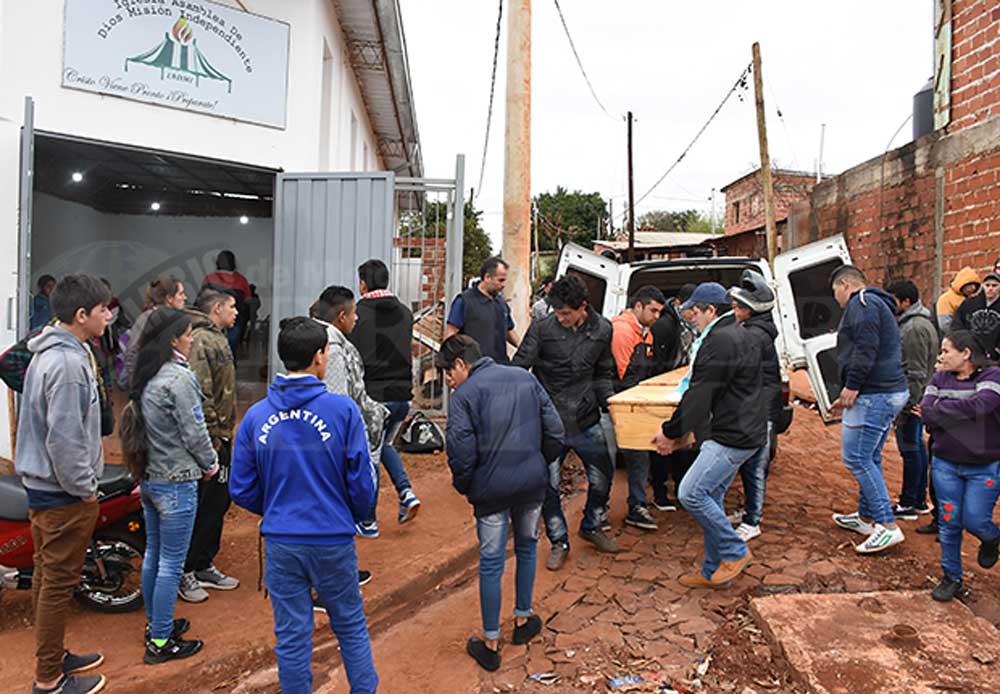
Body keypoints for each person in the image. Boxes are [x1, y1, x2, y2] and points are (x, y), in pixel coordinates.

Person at [230, 317, 378, 694]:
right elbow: (362, 481)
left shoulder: (256, 416)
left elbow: (241, 487)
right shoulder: (343, 411)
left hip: (282, 541)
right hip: (333, 537)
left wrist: (276, 507)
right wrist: (352, 514)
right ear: (319, 356)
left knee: (293, 637)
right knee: (350, 625)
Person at [437, 335, 564, 672]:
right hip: (531, 486)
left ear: (461, 364)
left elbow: (460, 452)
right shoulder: (525, 378)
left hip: (490, 494)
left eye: (448, 373)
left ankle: (491, 643)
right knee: (527, 547)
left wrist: (467, 485)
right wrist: (538, 464)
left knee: (492, 562)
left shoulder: (464, 396)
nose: (448, 381)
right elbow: (555, 431)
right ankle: (523, 621)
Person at [16, 274, 111, 694]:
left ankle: (53, 656)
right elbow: (66, 439)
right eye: (103, 310)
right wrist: (85, 489)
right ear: (82, 315)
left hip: (45, 487)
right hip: (63, 493)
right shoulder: (69, 365)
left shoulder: (51, 352)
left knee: (46, 577)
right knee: (57, 585)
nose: (108, 316)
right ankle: (49, 679)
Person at [119, 307, 218, 664]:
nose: (191, 340)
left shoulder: (146, 374)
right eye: (188, 334)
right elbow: (194, 431)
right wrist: (211, 464)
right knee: (172, 564)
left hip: (150, 478)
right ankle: (161, 642)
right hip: (176, 482)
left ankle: (157, 624)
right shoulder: (178, 378)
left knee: (155, 556)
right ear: (174, 339)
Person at [652, 282, 766, 589]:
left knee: (691, 493)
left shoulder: (719, 341)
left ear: (711, 310)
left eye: (696, 313)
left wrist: (671, 432)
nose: (693, 319)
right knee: (711, 497)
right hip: (746, 429)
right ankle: (712, 571)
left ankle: (735, 551)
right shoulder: (740, 333)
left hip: (731, 435)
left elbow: (699, 394)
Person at [513, 275, 619, 569]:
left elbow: (603, 373)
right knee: (548, 485)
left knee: (603, 476)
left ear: (583, 306)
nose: (559, 318)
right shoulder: (542, 328)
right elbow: (520, 369)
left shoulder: (603, 329)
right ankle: (559, 541)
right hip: (550, 423)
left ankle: (591, 525)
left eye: (565, 313)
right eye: (556, 312)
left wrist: (611, 406)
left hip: (587, 419)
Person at [829, 266, 910, 554]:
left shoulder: (862, 303)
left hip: (876, 394)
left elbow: (865, 348)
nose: (836, 298)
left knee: (857, 457)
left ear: (845, 284)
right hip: (885, 392)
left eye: (835, 291)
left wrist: (852, 386)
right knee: (870, 456)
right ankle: (865, 518)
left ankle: (887, 526)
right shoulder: (875, 303)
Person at [919, 331, 1000, 602]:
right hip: (945, 464)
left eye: (946, 351)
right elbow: (926, 411)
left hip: (984, 466)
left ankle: (991, 538)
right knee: (949, 522)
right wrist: (958, 412)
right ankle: (951, 577)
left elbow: (982, 406)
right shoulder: (939, 378)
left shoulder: (992, 376)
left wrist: (941, 409)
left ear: (965, 353)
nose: (940, 357)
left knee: (975, 520)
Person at [310, 287, 382, 586]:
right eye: (353, 314)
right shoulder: (334, 349)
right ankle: (332, 579)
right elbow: (337, 402)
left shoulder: (321, 339)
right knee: (335, 512)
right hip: (334, 445)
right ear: (341, 316)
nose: (356, 319)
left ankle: (333, 573)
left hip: (322, 441)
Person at [178, 288, 241, 603]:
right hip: (210, 439)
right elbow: (201, 393)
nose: (236, 312)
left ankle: (203, 563)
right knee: (204, 503)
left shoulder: (215, 337)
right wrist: (213, 437)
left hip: (220, 436)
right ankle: (186, 568)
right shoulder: (202, 340)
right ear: (217, 308)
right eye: (232, 306)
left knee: (218, 501)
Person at [349, 259, 421, 524]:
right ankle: (406, 493)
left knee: (371, 454)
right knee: (384, 445)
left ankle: (368, 520)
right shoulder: (405, 313)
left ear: (363, 284)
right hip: (401, 394)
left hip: (374, 396)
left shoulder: (357, 314)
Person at [726, 271, 782, 543]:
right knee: (749, 466)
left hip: (759, 411)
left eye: (739, 306)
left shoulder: (754, 336)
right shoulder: (756, 330)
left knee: (755, 468)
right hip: (757, 408)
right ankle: (749, 511)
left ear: (751, 309)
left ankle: (752, 521)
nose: (734, 309)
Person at [610, 285, 666, 531]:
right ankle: (598, 514)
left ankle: (637, 505)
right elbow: (623, 375)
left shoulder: (646, 333)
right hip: (617, 403)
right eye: (653, 310)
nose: (657, 317)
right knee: (608, 460)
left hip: (633, 403)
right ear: (639, 306)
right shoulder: (622, 331)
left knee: (639, 454)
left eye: (659, 312)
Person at [886, 279, 938, 520]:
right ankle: (917, 500)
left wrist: (906, 408)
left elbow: (915, 373)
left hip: (913, 400)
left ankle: (909, 502)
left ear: (906, 301)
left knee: (911, 450)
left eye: (894, 300)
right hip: (918, 398)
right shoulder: (917, 323)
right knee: (915, 448)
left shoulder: (914, 328)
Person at [649, 283, 698, 511]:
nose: (694, 313)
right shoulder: (665, 325)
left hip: (681, 389)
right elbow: (657, 364)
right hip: (663, 391)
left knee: (682, 444)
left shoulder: (690, 326)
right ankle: (660, 493)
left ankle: (680, 488)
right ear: (679, 304)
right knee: (661, 446)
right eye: (691, 308)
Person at [445, 257, 519, 363]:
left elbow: (509, 330)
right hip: (475, 366)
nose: (503, 285)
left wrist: (523, 349)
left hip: (500, 365)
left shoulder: (501, 303)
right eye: (500, 280)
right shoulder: (464, 301)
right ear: (487, 277)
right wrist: (449, 363)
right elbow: (450, 335)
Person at [124, 276, 187, 387]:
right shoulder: (148, 318)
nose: (185, 298)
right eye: (181, 294)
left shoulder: (171, 318)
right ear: (169, 298)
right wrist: (138, 385)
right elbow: (132, 353)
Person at [203, 250, 251, 356]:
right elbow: (248, 300)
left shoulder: (209, 279)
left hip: (214, 322)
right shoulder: (241, 280)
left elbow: (203, 301)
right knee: (230, 352)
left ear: (217, 262)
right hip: (234, 322)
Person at [953, 272, 1000, 362]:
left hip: (995, 357)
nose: (990, 288)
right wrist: (962, 345)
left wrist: (997, 350)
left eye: (994, 286)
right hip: (970, 353)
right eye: (987, 285)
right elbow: (957, 325)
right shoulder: (969, 304)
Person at [934, 267, 981, 334]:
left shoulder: (972, 299)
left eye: (975, 285)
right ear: (962, 284)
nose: (973, 288)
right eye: (970, 285)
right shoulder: (946, 299)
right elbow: (945, 325)